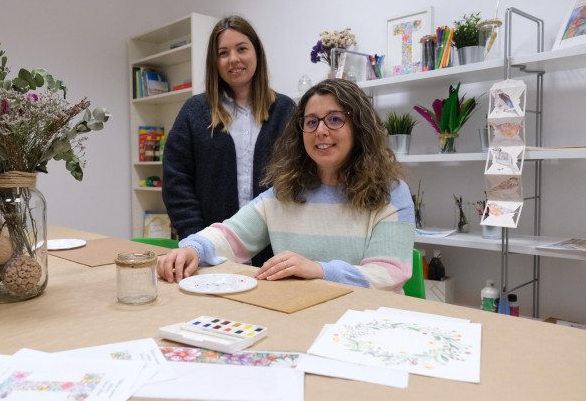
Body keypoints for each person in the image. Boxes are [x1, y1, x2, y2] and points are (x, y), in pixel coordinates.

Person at [158, 78, 415, 293]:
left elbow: (389, 273)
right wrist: (194, 248)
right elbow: (230, 236)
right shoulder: (285, 192)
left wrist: (319, 270)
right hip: (300, 315)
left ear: (360, 127)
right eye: (311, 122)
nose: (321, 131)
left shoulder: (391, 193)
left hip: (366, 323)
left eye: (335, 119)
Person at [162, 15, 295, 267]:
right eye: (223, 53)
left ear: (257, 53)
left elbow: (300, 178)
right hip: (209, 252)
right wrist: (197, 240)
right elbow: (176, 181)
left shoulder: (286, 111)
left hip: (276, 255)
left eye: (242, 49)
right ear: (215, 61)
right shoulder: (194, 111)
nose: (233, 59)